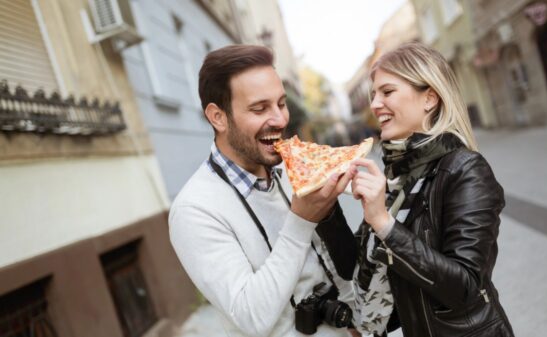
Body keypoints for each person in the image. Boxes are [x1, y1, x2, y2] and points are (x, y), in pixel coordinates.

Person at [319, 42, 515, 337]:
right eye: (373, 95)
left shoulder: (466, 169)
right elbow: (354, 267)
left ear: (430, 99)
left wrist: (384, 223)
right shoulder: (400, 175)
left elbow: (465, 287)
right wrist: (325, 207)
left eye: (387, 92)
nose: (374, 105)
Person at [168, 44, 358, 337]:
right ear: (218, 117)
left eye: (281, 104)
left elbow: (333, 268)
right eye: (260, 108)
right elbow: (251, 317)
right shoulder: (193, 210)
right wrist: (301, 220)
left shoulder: (289, 172)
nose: (280, 120)